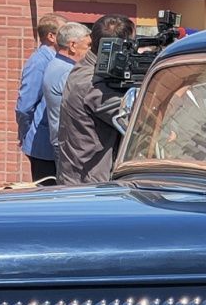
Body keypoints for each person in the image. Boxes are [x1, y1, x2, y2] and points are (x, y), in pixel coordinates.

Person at [55, 15, 135, 186]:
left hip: (84, 177)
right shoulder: (91, 82)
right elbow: (135, 121)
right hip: (88, 183)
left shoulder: (86, 68)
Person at [40, 22, 92, 174]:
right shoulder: (68, 72)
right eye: (88, 45)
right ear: (73, 45)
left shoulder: (55, 64)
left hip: (63, 142)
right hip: (70, 145)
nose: (90, 50)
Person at [16, 13, 63, 182]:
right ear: (51, 36)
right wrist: (25, 133)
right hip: (42, 144)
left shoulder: (55, 60)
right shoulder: (39, 61)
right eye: (62, 32)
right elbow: (25, 106)